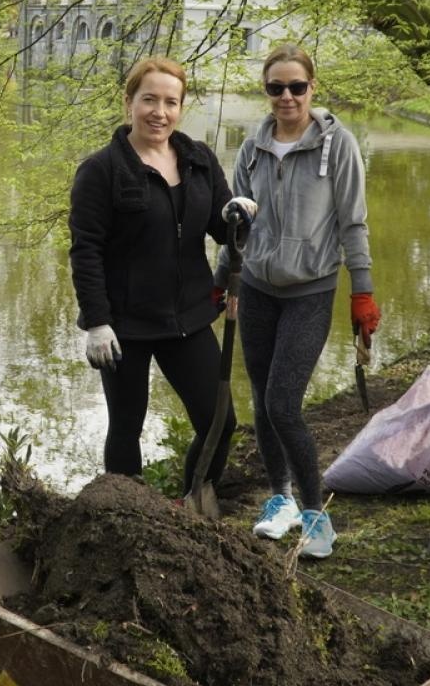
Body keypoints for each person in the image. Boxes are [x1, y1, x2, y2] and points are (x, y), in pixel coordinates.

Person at [68, 56, 254, 498]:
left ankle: (192, 502)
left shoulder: (199, 160)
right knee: (126, 426)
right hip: (123, 327)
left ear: (181, 108)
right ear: (129, 102)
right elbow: (86, 251)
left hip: (187, 318)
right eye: (149, 99)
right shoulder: (102, 170)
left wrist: (239, 216)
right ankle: (126, 512)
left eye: (171, 102)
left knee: (219, 420)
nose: (160, 112)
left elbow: (222, 229)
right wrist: (97, 322)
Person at [219, 43, 377, 556]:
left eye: (296, 86)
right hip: (258, 289)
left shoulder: (339, 145)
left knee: (283, 404)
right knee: (262, 402)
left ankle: (316, 515)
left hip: (310, 291)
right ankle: (280, 499)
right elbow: (238, 224)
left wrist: (363, 290)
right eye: (276, 87)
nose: (286, 96)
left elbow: (353, 223)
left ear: (312, 87)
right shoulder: (252, 147)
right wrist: (222, 278)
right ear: (265, 91)